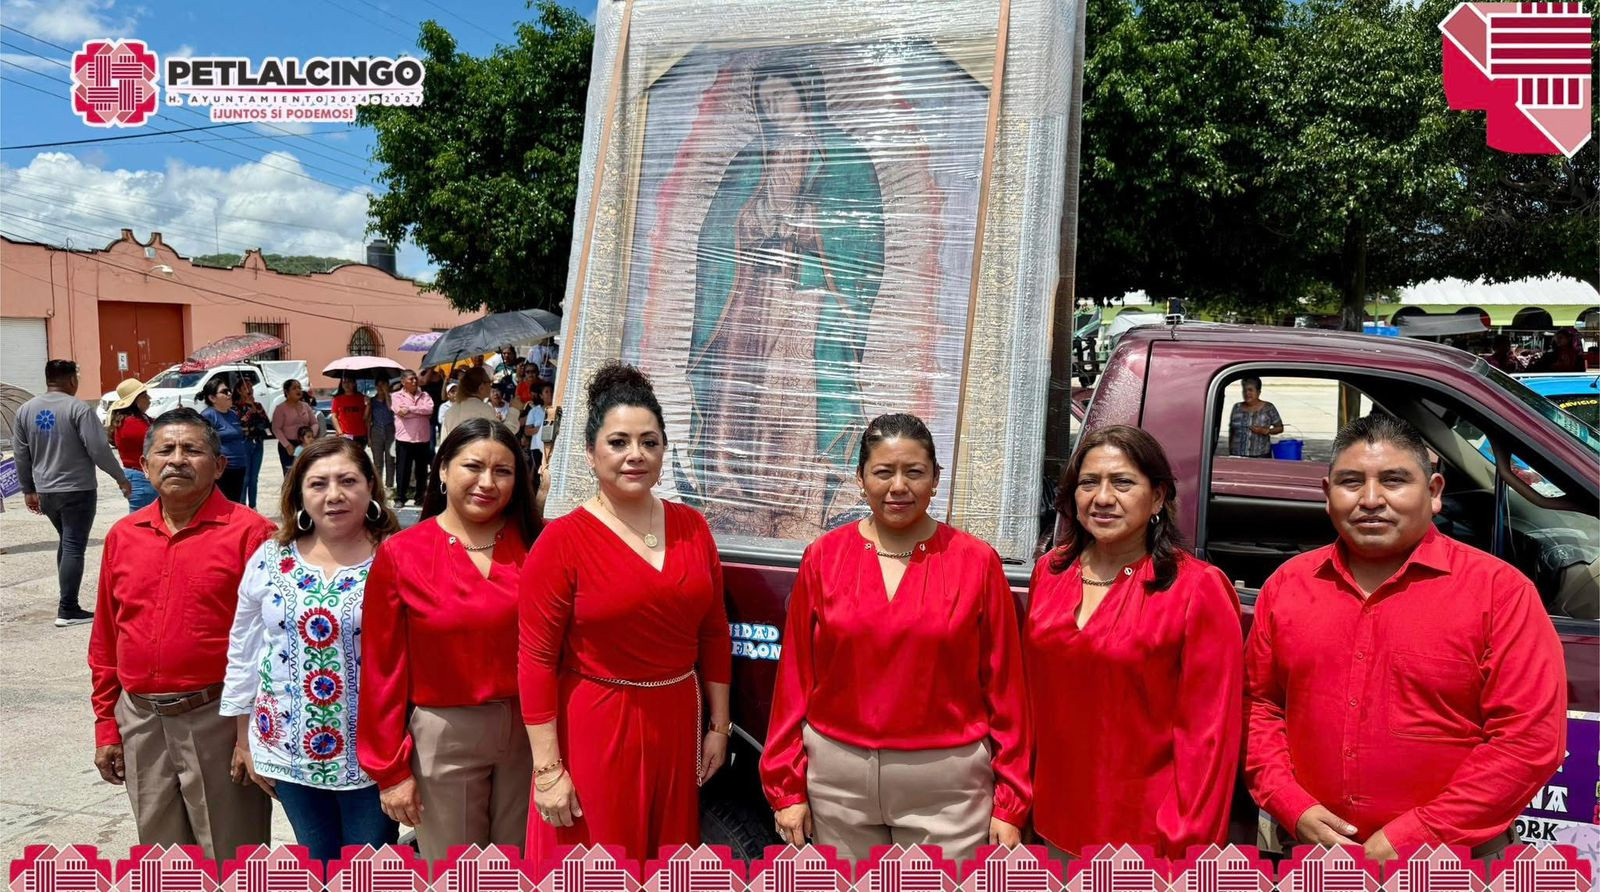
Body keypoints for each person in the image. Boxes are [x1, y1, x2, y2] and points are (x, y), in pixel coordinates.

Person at [1245, 414, 1566, 862]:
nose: (1371, 499)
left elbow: (1528, 740)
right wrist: (1289, 803)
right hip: (1308, 850)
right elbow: (1262, 707)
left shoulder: (1500, 593)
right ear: (1326, 495)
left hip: (1451, 859)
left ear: (1434, 493)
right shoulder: (1287, 587)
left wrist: (1419, 833)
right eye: (1351, 482)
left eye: (1394, 480)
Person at [761, 413, 1030, 863]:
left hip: (948, 789)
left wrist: (1011, 800)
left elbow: (1006, 688)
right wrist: (786, 786)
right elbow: (794, 681)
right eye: (884, 472)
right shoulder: (824, 557)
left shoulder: (976, 563)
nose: (899, 487)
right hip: (837, 783)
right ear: (861, 478)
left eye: (914, 472)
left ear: (936, 478)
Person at [520, 363, 732, 863]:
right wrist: (548, 771)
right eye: (618, 443)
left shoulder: (693, 527)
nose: (635, 455)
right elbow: (535, 660)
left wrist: (718, 727)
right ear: (591, 454)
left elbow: (714, 633)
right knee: (595, 864)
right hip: (596, 723)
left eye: (649, 442)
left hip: (677, 721)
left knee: (663, 863)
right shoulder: (562, 541)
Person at [1024, 424, 1243, 859]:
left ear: (1158, 496)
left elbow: (1209, 737)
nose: (1103, 498)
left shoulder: (1196, 589)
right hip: (1053, 822)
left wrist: (1189, 848)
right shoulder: (1051, 573)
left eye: (1123, 482)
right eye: (1089, 483)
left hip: (1150, 841)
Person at [687, 61, 884, 539]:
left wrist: (809, 227)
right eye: (766, 101)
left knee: (793, 397)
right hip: (750, 297)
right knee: (741, 400)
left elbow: (863, 235)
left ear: (806, 95)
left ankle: (798, 501)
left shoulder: (843, 158)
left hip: (806, 299)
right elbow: (716, 234)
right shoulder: (748, 161)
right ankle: (737, 498)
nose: (775, 108)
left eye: (783, 96)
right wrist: (749, 226)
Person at [88, 407, 277, 857]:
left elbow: (270, 646)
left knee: (234, 859)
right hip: (141, 720)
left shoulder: (252, 534)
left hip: (218, 719)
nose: (177, 460)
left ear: (219, 465)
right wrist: (106, 727)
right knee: (162, 859)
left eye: (192, 450)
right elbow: (106, 638)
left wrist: (249, 733)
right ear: (143, 463)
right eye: (165, 450)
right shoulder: (123, 535)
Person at [358, 418, 541, 861]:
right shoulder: (403, 554)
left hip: (530, 732)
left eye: (503, 471)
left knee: (521, 864)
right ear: (442, 470)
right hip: (446, 732)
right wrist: (390, 770)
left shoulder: (538, 545)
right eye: (473, 466)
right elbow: (382, 668)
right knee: (458, 871)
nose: (487, 482)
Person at [222, 437, 402, 861]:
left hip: (372, 757)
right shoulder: (270, 557)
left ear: (370, 487)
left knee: (368, 868)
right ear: (299, 493)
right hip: (286, 750)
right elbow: (244, 648)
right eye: (318, 483)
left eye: (348, 481)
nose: (334, 495)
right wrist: (244, 739)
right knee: (316, 860)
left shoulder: (397, 556)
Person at [15, 359, 132, 626]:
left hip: (46, 491)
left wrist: (28, 489)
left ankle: (67, 601)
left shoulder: (25, 410)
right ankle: (68, 608)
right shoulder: (78, 408)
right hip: (77, 489)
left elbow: (21, 454)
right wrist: (120, 478)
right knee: (73, 545)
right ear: (71, 381)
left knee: (67, 542)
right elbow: (99, 449)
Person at [107, 378, 157, 513]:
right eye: (145, 396)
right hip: (140, 476)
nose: (149, 398)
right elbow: (156, 437)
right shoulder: (130, 423)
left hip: (141, 475)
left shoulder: (138, 419)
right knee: (142, 521)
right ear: (136, 400)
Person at [199, 377, 250, 502]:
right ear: (212, 398)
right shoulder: (208, 415)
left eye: (229, 391)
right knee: (221, 503)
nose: (229, 394)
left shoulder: (233, 414)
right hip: (221, 470)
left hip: (239, 466)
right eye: (224, 392)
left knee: (235, 502)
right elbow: (202, 441)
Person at [391, 371, 435, 508]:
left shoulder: (425, 395)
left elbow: (429, 410)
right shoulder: (396, 396)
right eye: (411, 379)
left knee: (421, 471)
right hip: (405, 438)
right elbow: (400, 412)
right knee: (403, 469)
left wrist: (410, 409)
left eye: (415, 379)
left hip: (422, 438)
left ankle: (420, 497)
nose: (415, 381)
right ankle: (400, 497)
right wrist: (418, 412)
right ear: (403, 381)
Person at [235, 378, 271, 509]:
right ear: (239, 391)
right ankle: (242, 506)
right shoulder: (235, 407)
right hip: (244, 443)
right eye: (245, 388)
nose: (249, 390)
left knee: (254, 477)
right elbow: (240, 423)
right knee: (245, 477)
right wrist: (249, 411)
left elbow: (266, 424)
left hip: (258, 442)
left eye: (251, 387)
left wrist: (256, 410)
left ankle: (253, 506)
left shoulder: (258, 406)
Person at [1227, 376, 1284, 458]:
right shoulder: (1237, 407)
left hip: (1261, 456)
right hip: (1238, 456)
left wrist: (1265, 431)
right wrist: (1231, 451)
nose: (1247, 393)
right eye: (1244, 390)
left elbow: (1280, 428)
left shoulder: (1268, 407)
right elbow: (1232, 431)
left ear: (1258, 392)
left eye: (1250, 390)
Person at [440, 366, 505, 438]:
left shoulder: (450, 412)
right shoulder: (484, 409)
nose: (491, 385)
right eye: (489, 382)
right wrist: (514, 410)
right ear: (481, 387)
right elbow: (501, 436)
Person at [272, 380, 318, 473]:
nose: (298, 390)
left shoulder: (306, 406)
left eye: (299, 387)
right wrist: (287, 445)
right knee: (290, 475)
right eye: (294, 388)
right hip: (288, 446)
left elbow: (314, 423)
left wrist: (310, 436)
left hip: (306, 444)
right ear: (286, 392)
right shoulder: (280, 408)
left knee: (306, 473)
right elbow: (276, 428)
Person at [368, 378, 397, 493]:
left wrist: (386, 394)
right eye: (379, 385)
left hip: (390, 429)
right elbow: (368, 419)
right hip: (376, 430)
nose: (381, 387)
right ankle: (378, 486)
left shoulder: (392, 399)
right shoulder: (372, 401)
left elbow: (392, 410)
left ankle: (389, 485)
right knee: (377, 462)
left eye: (383, 385)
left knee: (390, 459)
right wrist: (369, 437)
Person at [331, 377, 371, 446]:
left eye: (349, 381)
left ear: (354, 384)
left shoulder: (362, 398)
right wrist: (340, 433)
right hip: (345, 435)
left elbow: (365, 418)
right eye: (344, 382)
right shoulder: (337, 399)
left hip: (360, 434)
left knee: (359, 456)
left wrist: (368, 405)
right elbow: (334, 417)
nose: (346, 384)